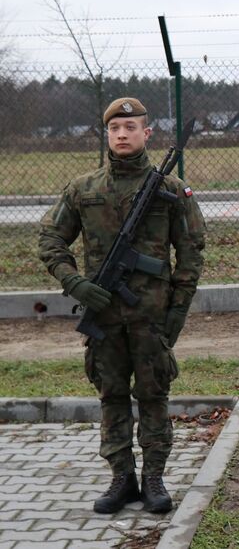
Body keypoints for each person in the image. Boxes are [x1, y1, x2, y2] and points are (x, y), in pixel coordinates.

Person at [38, 97, 206, 514]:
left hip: (152, 318)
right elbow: (49, 239)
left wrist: (176, 315)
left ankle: (153, 479)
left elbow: (191, 255)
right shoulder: (83, 189)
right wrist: (74, 282)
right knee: (112, 396)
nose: (122, 135)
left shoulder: (170, 191)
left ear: (146, 133)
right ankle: (122, 478)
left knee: (153, 396)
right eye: (115, 129)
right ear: (106, 134)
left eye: (131, 127)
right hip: (105, 317)